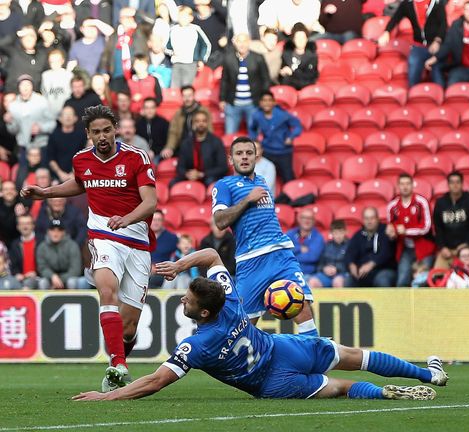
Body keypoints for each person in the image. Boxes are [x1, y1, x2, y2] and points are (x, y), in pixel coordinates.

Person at [73, 248, 448, 401]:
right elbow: (212, 254)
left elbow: (155, 381)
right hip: (284, 349)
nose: (183, 300)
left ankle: (382, 395)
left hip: (271, 382)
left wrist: (106, 397)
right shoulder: (231, 299)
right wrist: (182, 266)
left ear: (203, 313)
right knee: (354, 354)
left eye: (187, 300)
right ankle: (427, 375)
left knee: (343, 388)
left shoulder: (196, 346)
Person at [21, 105, 157, 393]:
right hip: (103, 235)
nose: (102, 136)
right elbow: (81, 183)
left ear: (115, 130)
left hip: (137, 241)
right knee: (107, 289)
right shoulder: (81, 159)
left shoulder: (136, 157)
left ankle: (117, 363)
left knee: (129, 326)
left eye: (107, 130)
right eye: (96, 132)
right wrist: (45, 193)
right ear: (88, 134)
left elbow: (150, 202)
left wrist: (128, 218)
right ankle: (118, 364)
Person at [212, 136, 318, 335]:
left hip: (281, 255)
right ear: (230, 159)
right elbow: (220, 221)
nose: (244, 157)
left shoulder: (261, 182)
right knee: (243, 330)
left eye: (249, 153)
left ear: (256, 156)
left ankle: (316, 359)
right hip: (250, 261)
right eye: (239, 153)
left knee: (302, 305)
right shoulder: (224, 185)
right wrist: (247, 201)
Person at [424, 1, 469, 88]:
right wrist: (434, 58)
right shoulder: (456, 26)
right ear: (463, 12)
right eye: (467, 10)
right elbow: (448, 45)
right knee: (452, 84)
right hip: (462, 67)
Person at [379, 0, 447, 87]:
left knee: (438, 79)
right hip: (418, 46)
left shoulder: (435, 2)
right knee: (413, 70)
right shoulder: (407, 4)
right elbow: (395, 19)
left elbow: (443, 24)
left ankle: (440, 95)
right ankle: (413, 94)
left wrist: (438, 41)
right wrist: (386, 32)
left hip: (436, 45)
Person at [386, 174, 436, 287]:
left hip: (424, 248)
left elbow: (427, 227)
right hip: (405, 249)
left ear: (412, 185)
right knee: (402, 281)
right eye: (402, 184)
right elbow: (392, 229)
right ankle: (401, 304)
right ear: (398, 186)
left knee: (423, 281)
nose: (405, 187)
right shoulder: (392, 206)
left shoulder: (422, 202)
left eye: (408, 184)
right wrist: (391, 234)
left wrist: (406, 231)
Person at [220, 32, 271, 134]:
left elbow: (265, 79)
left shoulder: (258, 58)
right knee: (230, 135)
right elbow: (224, 80)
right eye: (239, 41)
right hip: (233, 104)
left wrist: (263, 98)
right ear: (235, 43)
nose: (242, 44)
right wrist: (222, 99)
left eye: (245, 41)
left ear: (249, 43)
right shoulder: (228, 58)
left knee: (254, 137)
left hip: (253, 103)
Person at [248, 91, 303, 183]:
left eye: (269, 100)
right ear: (260, 103)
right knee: (262, 176)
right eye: (264, 100)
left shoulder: (283, 115)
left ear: (274, 102)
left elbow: (297, 125)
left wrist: (291, 137)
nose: (267, 103)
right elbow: (252, 128)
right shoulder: (257, 115)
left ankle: (291, 196)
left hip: (283, 151)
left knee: (288, 177)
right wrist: (255, 139)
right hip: (267, 150)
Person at [432, 171, 469, 269]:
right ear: (448, 184)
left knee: (468, 276)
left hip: (467, 248)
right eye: (452, 182)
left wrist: (467, 243)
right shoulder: (440, 203)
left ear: (462, 184)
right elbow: (438, 228)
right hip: (447, 250)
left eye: (457, 182)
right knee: (436, 277)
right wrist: (442, 247)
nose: (455, 185)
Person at [5, 75, 56, 162]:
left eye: (28, 84)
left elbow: (53, 123)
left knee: (42, 174)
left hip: (41, 146)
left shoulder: (42, 101)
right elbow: (13, 131)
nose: (25, 87)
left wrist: (41, 128)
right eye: (22, 85)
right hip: (23, 147)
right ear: (18, 87)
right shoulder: (13, 105)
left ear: (32, 86)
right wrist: (9, 123)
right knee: (22, 174)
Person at [172, 110, 228, 187]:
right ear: (193, 124)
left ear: (207, 123)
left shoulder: (216, 141)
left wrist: (202, 174)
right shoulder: (186, 143)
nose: (201, 123)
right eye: (197, 121)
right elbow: (180, 167)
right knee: (173, 183)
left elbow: (223, 167)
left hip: (209, 176)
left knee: (211, 183)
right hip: (190, 176)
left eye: (203, 121)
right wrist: (187, 174)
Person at [345, 207, 396, 287]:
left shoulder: (386, 231)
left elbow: (387, 253)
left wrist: (371, 264)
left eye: (372, 218)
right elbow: (349, 253)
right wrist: (351, 265)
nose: (369, 221)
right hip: (363, 272)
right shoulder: (358, 235)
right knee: (349, 280)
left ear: (377, 219)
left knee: (382, 280)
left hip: (384, 270)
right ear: (363, 220)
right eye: (366, 218)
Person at [99, 8, 148, 85]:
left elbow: (151, 22)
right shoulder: (114, 35)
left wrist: (137, 12)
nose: (129, 19)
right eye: (125, 17)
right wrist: (104, 72)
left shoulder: (139, 31)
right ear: (120, 19)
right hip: (116, 76)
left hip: (136, 75)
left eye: (131, 17)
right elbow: (106, 54)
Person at [166, 6, 212, 88]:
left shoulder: (195, 29)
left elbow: (206, 45)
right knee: (175, 88)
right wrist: (172, 52)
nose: (182, 18)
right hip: (176, 64)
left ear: (191, 18)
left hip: (190, 64)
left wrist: (202, 60)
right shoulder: (173, 30)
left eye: (185, 16)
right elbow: (166, 47)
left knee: (187, 88)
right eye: (180, 16)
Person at [36, 218, 88, 289]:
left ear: (64, 232)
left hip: (68, 278)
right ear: (48, 232)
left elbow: (75, 270)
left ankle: (72, 300)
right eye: (53, 230)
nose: (56, 233)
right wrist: (52, 276)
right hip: (50, 278)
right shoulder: (42, 247)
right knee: (43, 282)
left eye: (59, 230)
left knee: (72, 282)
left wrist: (60, 279)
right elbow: (42, 268)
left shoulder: (72, 245)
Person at [162, 85, 212, 159]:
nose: (187, 98)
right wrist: (169, 147)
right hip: (182, 147)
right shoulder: (178, 113)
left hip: (200, 146)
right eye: (184, 96)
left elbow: (209, 130)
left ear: (194, 96)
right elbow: (173, 133)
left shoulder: (203, 111)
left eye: (189, 95)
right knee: (163, 157)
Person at [47, 106, 87, 183]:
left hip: (78, 175)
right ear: (60, 118)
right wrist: (60, 174)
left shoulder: (82, 135)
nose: (68, 117)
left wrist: (74, 173)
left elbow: (84, 157)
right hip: (57, 176)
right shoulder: (53, 135)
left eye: (70, 114)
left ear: (75, 118)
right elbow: (51, 159)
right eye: (65, 115)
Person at [9, 214, 48, 289]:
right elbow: (13, 264)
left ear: (33, 225)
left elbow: (48, 262)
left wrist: (36, 273)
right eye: (22, 224)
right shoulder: (15, 244)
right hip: (21, 279)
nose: (25, 226)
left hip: (39, 277)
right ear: (18, 227)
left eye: (28, 223)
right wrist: (17, 274)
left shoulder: (42, 241)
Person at [308, 219, 348, 288]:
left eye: (340, 232)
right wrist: (324, 269)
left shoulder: (350, 246)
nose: (338, 236)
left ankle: (339, 299)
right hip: (326, 275)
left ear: (345, 232)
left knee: (337, 282)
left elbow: (350, 265)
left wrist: (337, 269)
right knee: (312, 281)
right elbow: (320, 263)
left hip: (342, 274)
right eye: (335, 233)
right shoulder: (327, 245)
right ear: (331, 234)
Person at [279, 23, 319, 90]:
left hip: (306, 90)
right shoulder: (286, 54)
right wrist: (281, 72)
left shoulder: (312, 57)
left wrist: (292, 72)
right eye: (297, 38)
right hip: (288, 89)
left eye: (303, 38)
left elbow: (309, 77)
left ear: (306, 39)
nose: (300, 40)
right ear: (293, 39)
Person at [286, 209, 324, 275]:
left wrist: (291, 256)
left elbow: (312, 257)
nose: (307, 221)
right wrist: (299, 248)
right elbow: (284, 252)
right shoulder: (290, 234)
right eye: (304, 218)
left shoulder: (318, 237)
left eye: (310, 218)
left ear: (314, 221)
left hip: (308, 274)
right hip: (289, 272)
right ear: (299, 219)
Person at [257, 0, 324, 38]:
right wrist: (280, 27)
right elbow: (269, 23)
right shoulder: (276, 2)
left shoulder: (314, 3)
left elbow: (310, 25)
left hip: (308, 35)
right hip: (285, 35)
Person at [149, 210, 178, 288]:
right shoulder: (143, 236)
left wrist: (160, 269)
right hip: (143, 270)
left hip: (163, 273)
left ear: (163, 222)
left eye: (159, 220)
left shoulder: (172, 238)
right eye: (154, 220)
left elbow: (178, 256)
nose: (156, 222)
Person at [40, 49, 73, 115]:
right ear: (49, 62)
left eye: (57, 61)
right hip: (50, 112)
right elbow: (44, 94)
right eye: (52, 61)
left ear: (62, 61)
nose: (55, 63)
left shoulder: (69, 75)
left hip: (65, 112)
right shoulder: (45, 75)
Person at [0, 181, 23, 245]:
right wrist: (16, 215)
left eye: (12, 189)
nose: (9, 192)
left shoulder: (21, 204)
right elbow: (5, 229)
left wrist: (21, 216)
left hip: (18, 243)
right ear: (1, 192)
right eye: (6, 189)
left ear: (16, 192)